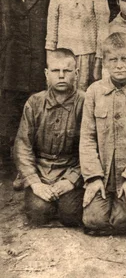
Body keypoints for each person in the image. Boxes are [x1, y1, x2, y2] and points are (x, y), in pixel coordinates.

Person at [80, 33, 126, 235]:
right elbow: (86, 139)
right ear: (104, 62)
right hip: (103, 174)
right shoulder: (94, 91)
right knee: (93, 220)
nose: (119, 65)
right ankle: (106, 203)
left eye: (125, 59)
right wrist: (93, 177)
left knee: (124, 220)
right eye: (113, 60)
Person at [13, 49, 85, 227]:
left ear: (76, 73)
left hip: (71, 168)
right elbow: (23, 146)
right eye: (55, 71)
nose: (61, 76)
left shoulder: (86, 102)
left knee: (71, 214)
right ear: (47, 74)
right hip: (41, 171)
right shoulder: (35, 102)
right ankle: (41, 199)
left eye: (67, 71)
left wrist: (71, 180)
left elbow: (92, 147)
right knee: (39, 212)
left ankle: (64, 203)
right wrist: (35, 183)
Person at [0, 0, 51, 172]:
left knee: (38, 116)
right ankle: (11, 166)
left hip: (38, 66)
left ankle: (37, 165)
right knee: (10, 117)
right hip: (11, 67)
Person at [46, 0, 110, 91]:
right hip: (63, 59)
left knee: (84, 95)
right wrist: (51, 60)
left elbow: (102, 30)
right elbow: (51, 32)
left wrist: (99, 62)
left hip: (89, 58)